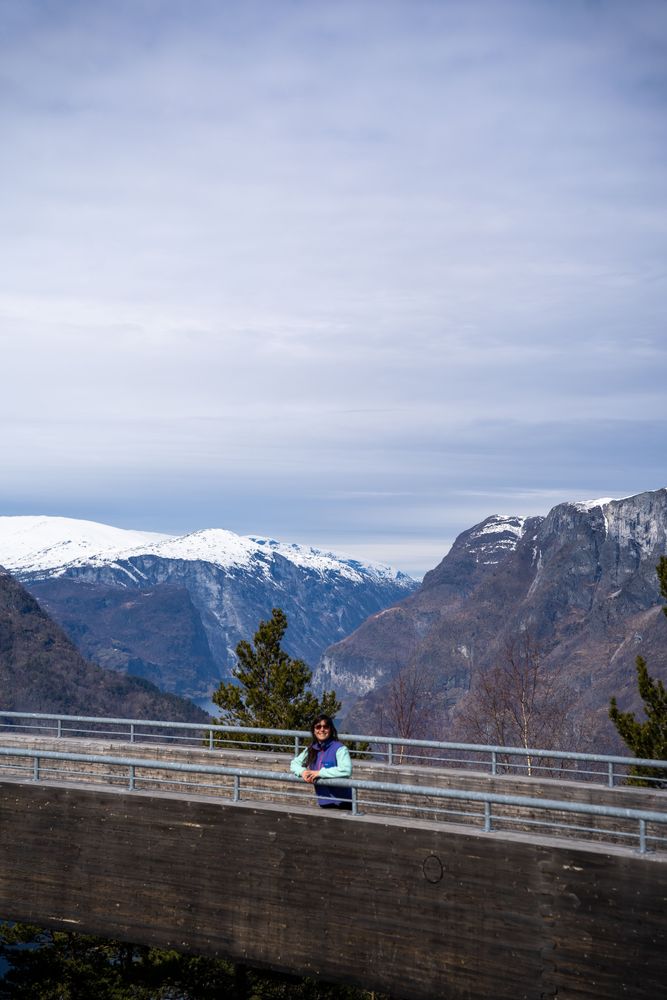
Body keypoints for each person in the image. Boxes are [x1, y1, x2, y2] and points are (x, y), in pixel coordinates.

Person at [290, 714, 353, 810]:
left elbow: (346, 770)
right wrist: (303, 772)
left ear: (330, 729)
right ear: (314, 730)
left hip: (343, 803)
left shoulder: (339, 749)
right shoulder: (311, 749)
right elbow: (294, 763)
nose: (322, 730)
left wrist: (319, 773)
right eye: (318, 727)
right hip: (324, 803)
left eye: (326, 726)